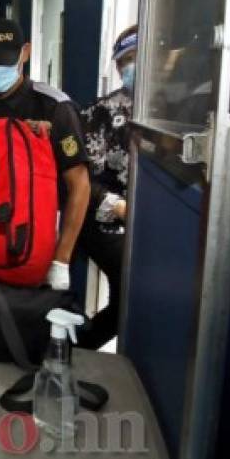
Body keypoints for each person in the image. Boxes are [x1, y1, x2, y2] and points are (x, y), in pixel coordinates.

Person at [0, 18, 91, 291]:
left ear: (25, 52)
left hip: (36, 238)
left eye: (3, 62)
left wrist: (62, 258)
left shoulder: (54, 107)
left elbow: (79, 185)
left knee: (27, 323)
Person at [76, 25, 137, 348]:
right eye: (126, 60)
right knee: (129, 292)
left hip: (152, 225)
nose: (132, 66)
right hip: (106, 221)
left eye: (140, 57)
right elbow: (79, 180)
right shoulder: (100, 113)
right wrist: (120, 207)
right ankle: (72, 349)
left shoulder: (180, 112)